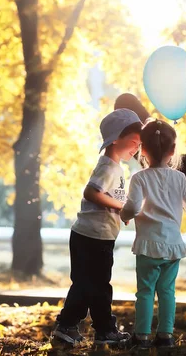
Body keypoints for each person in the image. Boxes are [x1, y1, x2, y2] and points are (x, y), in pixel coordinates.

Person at [51, 109, 143, 348]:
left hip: (91, 234)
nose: (136, 148)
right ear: (115, 139)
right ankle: (103, 330)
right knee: (97, 286)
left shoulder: (114, 167)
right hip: (94, 237)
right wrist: (121, 207)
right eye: (133, 142)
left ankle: (68, 327)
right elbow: (91, 192)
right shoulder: (108, 167)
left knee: (85, 284)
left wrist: (120, 213)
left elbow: (106, 199)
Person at [121, 119, 186, 349]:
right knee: (168, 291)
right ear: (172, 150)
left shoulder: (139, 178)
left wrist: (124, 215)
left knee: (145, 292)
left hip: (148, 247)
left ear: (143, 150)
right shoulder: (179, 178)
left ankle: (141, 337)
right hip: (171, 247)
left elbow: (132, 206)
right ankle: (165, 336)